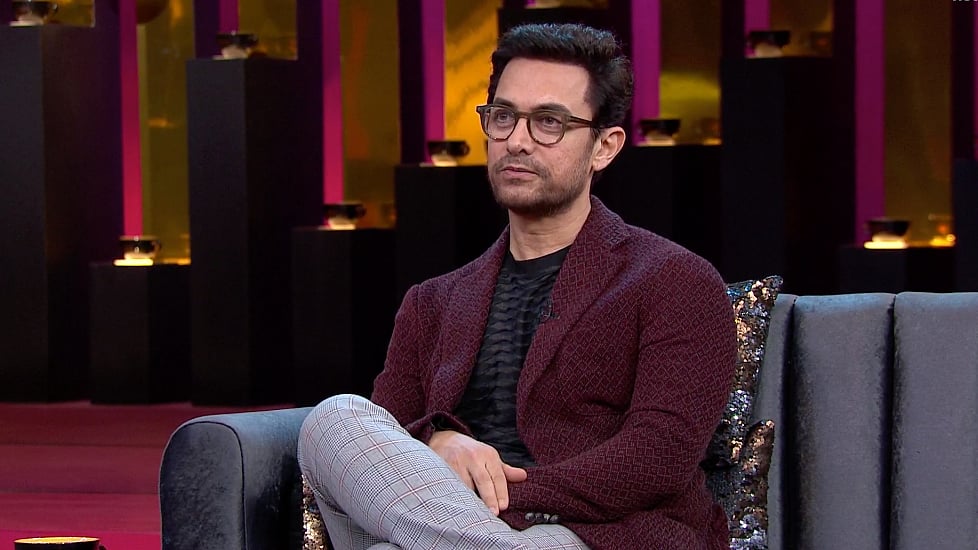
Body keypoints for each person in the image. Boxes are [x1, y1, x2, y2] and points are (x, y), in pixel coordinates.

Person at [298, 22, 737, 550]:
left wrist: (495, 495)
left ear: (604, 146)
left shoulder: (673, 281)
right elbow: (389, 436)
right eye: (503, 117)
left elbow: (657, 457)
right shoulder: (432, 302)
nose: (517, 141)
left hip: (589, 535)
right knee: (335, 420)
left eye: (548, 122)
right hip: (446, 530)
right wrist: (436, 441)